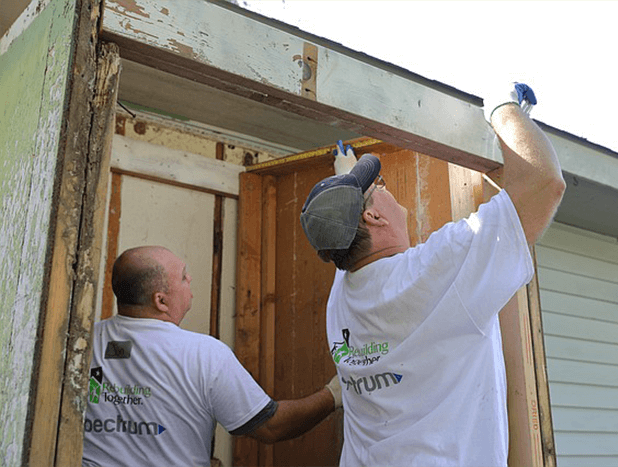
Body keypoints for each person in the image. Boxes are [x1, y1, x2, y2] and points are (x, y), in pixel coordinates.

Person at [299, 82, 566, 466]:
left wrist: (347, 178)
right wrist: (504, 109)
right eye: (381, 187)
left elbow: (345, 240)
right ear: (372, 216)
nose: (390, 193)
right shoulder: (434, 273)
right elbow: (545, 183)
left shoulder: (342, 297)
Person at [82, 245, 342, 467]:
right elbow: (271, 426)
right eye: (183, 277)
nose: (190, 280)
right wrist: (332, 395)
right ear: (161, 301)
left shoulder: (84, 343)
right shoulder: (203, 354)